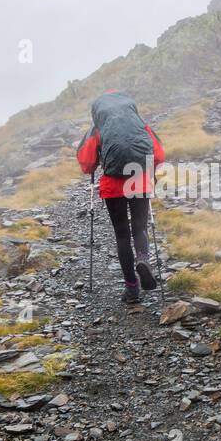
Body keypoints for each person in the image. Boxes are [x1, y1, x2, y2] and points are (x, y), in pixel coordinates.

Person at [76, 91, 164, 304]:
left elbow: (86, 164)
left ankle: (132, 290)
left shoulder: (98, 129)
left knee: (122, 234)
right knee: (140, 227)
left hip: (113, 187)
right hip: (140, 181)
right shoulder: (140, 124)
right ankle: (143, 259)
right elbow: (159, 155)